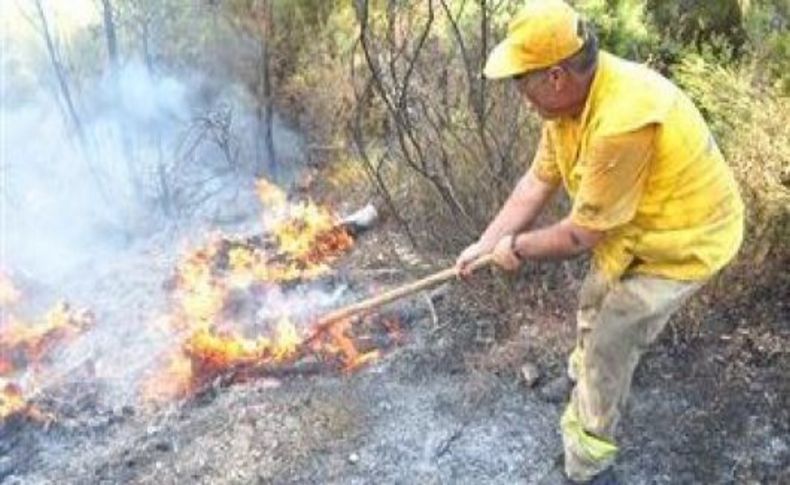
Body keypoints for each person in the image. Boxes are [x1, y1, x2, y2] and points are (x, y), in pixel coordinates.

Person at [455, 1, 744, 483]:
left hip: (685, 238)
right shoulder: (565, 110)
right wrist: (486, 242)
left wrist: (517, 249)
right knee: (593, 298)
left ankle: (587, 460)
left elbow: (579, 235)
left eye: (521, 80)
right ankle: (582, 381)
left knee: (613, 337)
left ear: (556, 76)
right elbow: (536, 180)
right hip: (634, 228)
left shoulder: (621, 120)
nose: (520, 95)